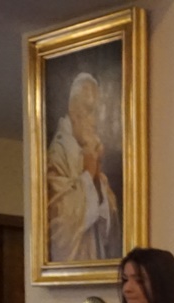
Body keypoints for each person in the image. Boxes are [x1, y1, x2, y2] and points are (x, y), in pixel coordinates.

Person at [47, 72, 120, 262]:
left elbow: (108, 225)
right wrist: (87, 174)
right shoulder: (58, 154)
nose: (94, 122)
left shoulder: (89, 151)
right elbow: (59, 225)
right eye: (89, 110)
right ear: (73, 111)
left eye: (96, 113)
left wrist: (96, 178)